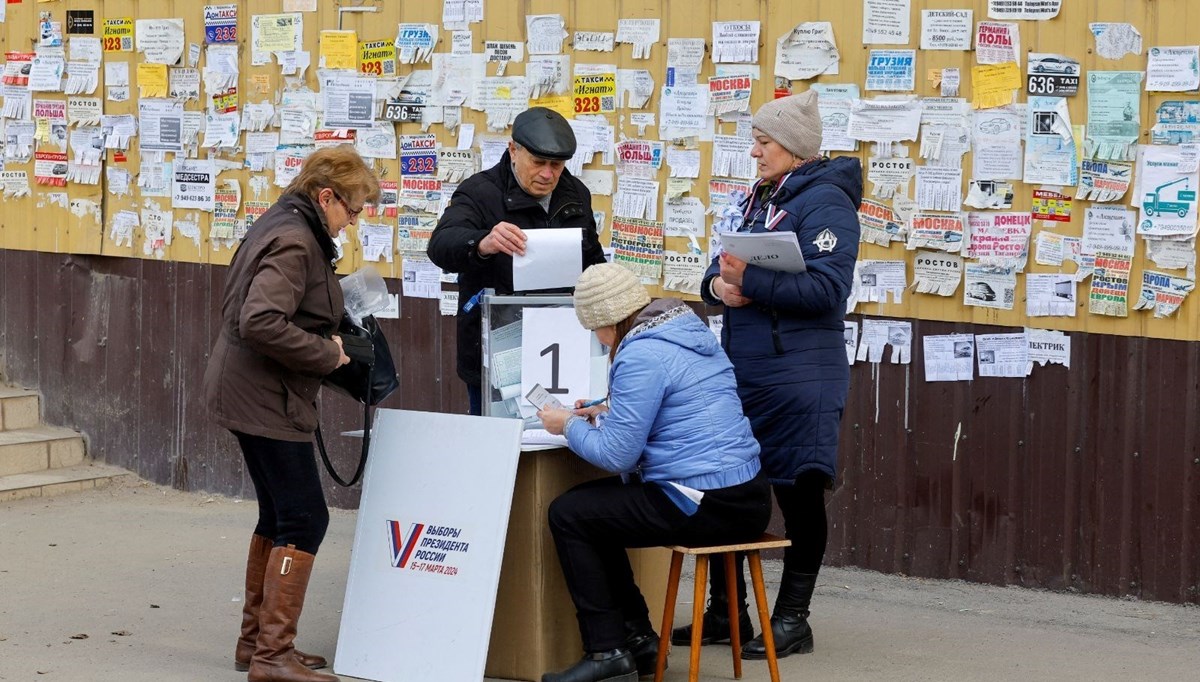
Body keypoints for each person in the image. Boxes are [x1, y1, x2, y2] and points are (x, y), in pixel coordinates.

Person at [679, 90, 862, 661]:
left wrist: (750, 284)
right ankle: (725, 613)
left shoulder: (826, 202)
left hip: (801, 374)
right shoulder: (760, 197)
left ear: (794, 148)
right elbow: (722, 264)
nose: (754, 152)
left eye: (764, 142)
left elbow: (829, 290)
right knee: (730, 488)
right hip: (745, 369)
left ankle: (792, 619)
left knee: (800, 494)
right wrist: (718, 286)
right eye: (756, 141)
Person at [536, 263, 772, 682]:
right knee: (595, 513)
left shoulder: (640, 352)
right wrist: (609, 409)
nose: (598, 339)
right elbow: (683, 406)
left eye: (596, 330)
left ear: (608, 321)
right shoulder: (687, 332)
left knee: (570, 514)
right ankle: (640, 643)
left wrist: (567, 425)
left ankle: (608, 651)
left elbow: (617, 456)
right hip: (747, 494)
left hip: (703, 502)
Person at [203, 145, 380, 682]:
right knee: (306, 517)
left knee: (279, 515)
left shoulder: (285, 221)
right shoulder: (298, 241)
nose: (354, 222)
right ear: (325, 196)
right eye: (351, 210)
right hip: (264, 397)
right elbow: (260, 321)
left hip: (250, 390)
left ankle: (255, 644)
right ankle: (272, 658)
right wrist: (330, 353)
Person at [427, 107, 606, 415]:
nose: (548, 174)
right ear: (513, 150)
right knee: (497, 447)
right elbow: (440, 245)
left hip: (563, 341)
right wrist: (483, 242)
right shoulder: (479, 192)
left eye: (557, 165)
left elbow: (592, 258)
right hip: (499, 346)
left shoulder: (575, 193)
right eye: (538, 163)